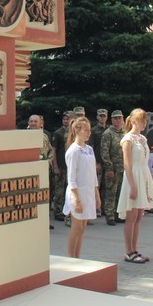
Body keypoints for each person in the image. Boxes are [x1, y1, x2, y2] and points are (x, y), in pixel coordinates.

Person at [117, 109, 153, 263]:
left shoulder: (142, 138)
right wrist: (133, 185)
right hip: (132, 177)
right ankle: (128, 251)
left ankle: (135, 249)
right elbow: (127, 164)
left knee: (140, 215)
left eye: (146, 121)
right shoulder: (128, 139)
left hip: (143, 175)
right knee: (132, 216)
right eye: (142, 120)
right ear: (134, 121)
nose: (145, 124)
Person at [62, 117, 100, 258]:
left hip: (88, 192)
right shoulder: (74, 151)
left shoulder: (89, 149)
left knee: (83, 227)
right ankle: (71, 257)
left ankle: (77, 257)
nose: (89, 133)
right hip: (77, 193)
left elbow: (93, 175)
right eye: (86, 130)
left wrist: (96, 194)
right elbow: (71, 178)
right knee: (76, 227)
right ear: (77, 131)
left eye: (89, 130)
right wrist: (76, 199)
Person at [29, 115, 55, 230]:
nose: (33, 123)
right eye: (31, 121)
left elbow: (51, 151)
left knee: (44, 197)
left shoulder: (45, 136)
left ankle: (45, 220)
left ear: (41, 124)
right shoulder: (23, 136)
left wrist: (48, 162)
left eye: (36, 121)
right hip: (30, 172)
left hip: (44, 172)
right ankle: (31, 221)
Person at [100, 110, 125, 225]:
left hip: (123, 168)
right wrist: (109, 168)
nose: (118, 120)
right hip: (113, 169)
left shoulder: (125, 133)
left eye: (120, 118)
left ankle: (117, 214)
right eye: (115, 118)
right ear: (112, 120)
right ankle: (109, 215)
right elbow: (104, 152)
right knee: (111, 192)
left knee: (120, 192)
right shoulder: (108, 133)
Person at [50, 111, 72, 222]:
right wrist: (56, 167)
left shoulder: (75, 133)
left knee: (69, 191)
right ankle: (58, 211)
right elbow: (54, 150)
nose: (65, 121)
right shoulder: (58, 133)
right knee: (59, 190)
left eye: (68, 119)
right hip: (61, 165)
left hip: (70, 167)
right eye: (64, 119)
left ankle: (67, 211)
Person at [90, 109, 109, 217]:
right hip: (98, 162)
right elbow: (91, 147)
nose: (102, 118)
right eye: (100, 116)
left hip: (107, 162)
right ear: (97, 117)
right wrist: (95, 162)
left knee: (107, 187)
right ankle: (96, 208)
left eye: (104, 116)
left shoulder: (110, 129)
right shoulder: (93, 130)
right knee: (96, 185)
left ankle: (105, 208)